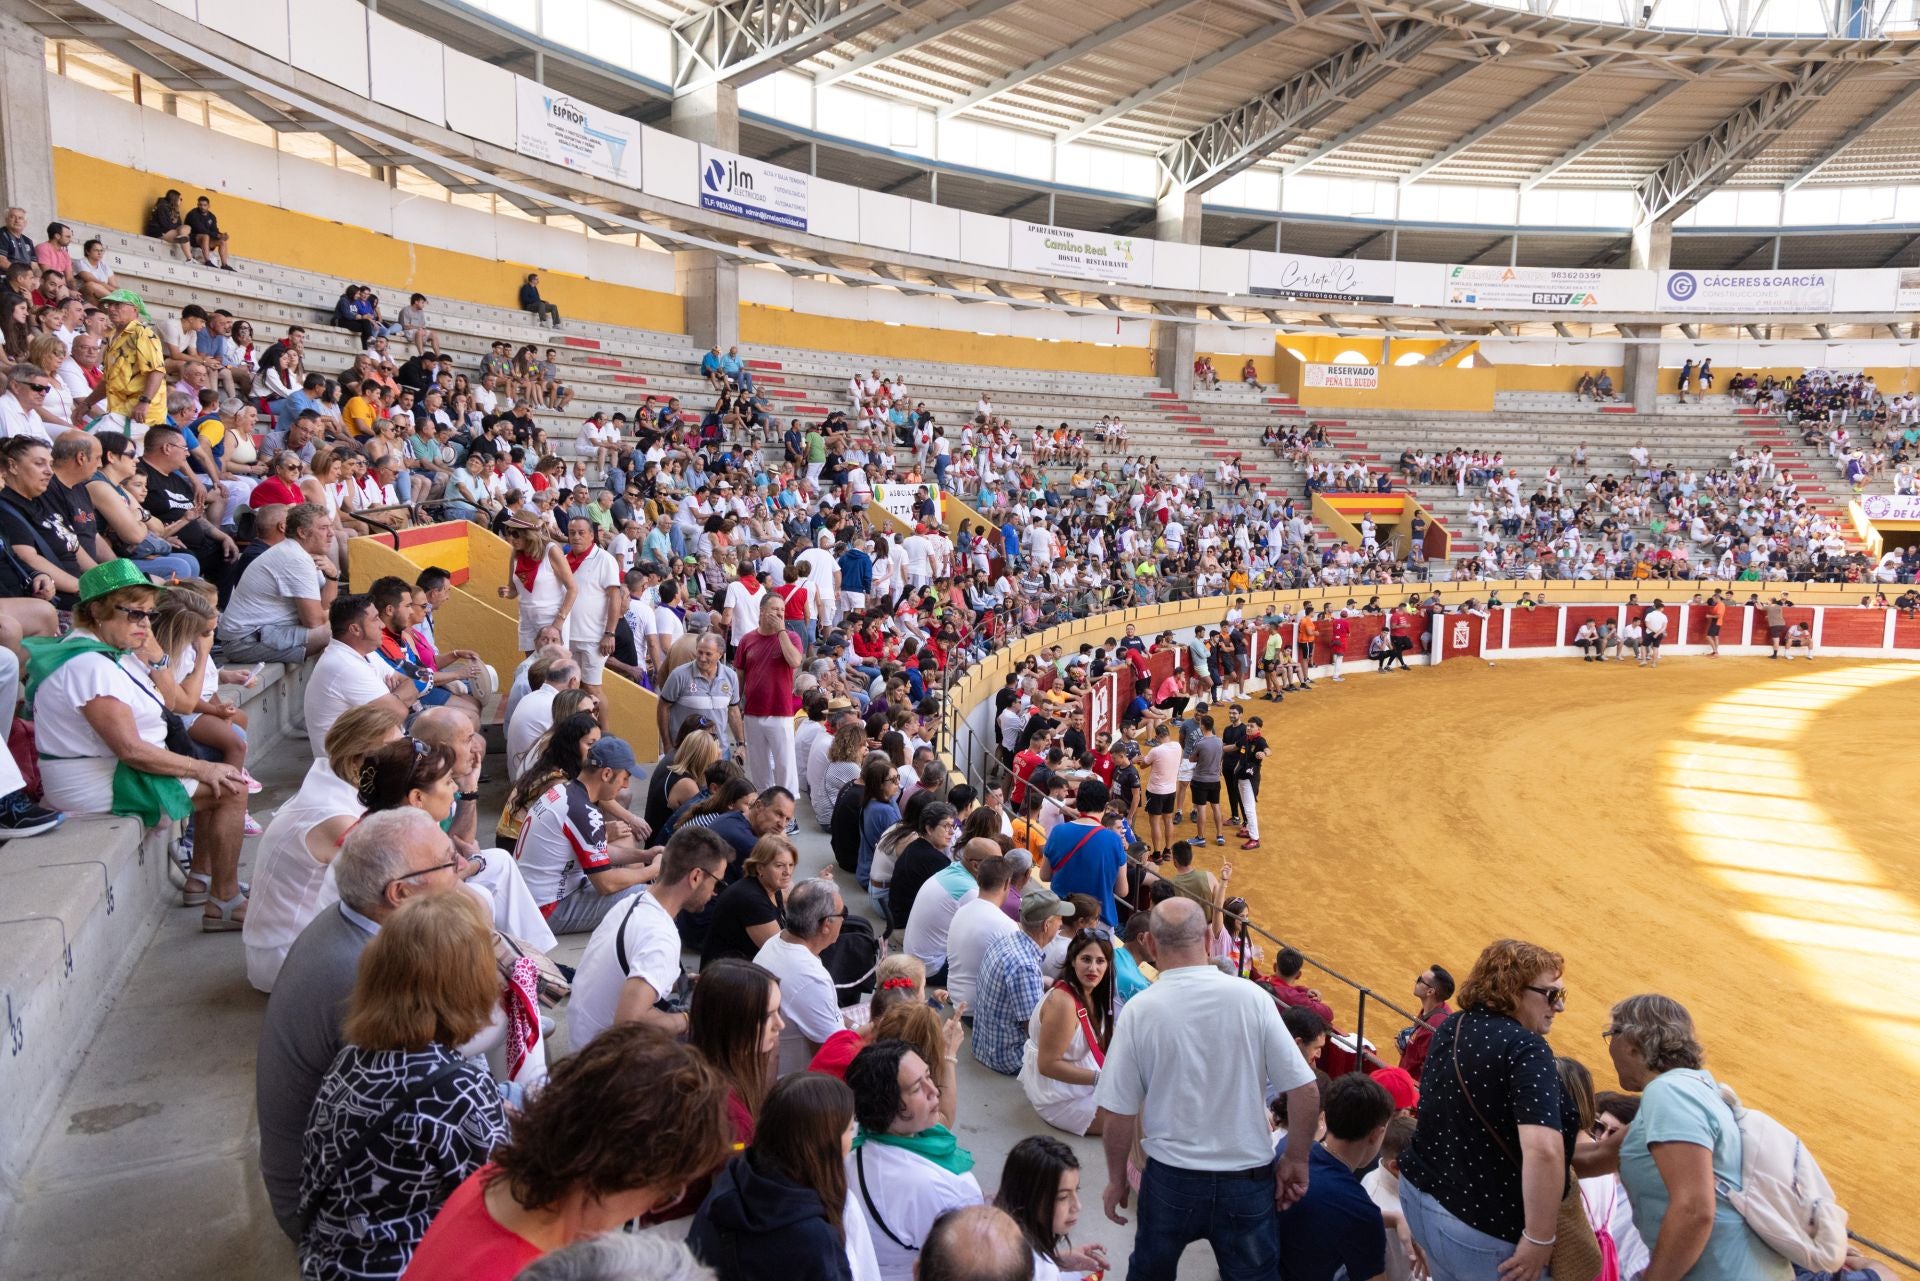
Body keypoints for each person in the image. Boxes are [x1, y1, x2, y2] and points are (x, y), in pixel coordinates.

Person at [256, 809, 463, 1239]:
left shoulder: (356, 928)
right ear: (400, 893)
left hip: (328, 1176)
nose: (461, 866)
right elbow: (434, 1100)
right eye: (448, 861)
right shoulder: (363, 973)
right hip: (328, 1211)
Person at [1092, 897, 1319, 1281]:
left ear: (1149, 943)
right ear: (1208, 938)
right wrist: (1296, 1159)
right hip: (1247, 1179)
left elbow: (1118, 1112)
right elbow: (1305, 1090)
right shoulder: (1252, 999)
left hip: (1171, 1179)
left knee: (1149, 1273)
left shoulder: (1140, 1011)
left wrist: (1116, 1179)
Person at [403, 1026, 733, 1281]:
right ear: (620, 1170)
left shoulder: (498, 1178)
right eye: (664, 1195)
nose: (649, 1208)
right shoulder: (533, 1270)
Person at [296, 892, 508, 1281]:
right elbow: (505, 1200)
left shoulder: (355, 1054)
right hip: (407, 1267)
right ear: (468, 983)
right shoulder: (458, 1087)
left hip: (330, 1261)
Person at [25, 560, 249, 926]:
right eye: (134, 614)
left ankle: (205, 883)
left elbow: (176, 702)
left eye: (149, 614)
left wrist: (154, 648)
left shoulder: (113, 651)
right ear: (96, 610)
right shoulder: (89, 665)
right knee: (230, 788)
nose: (144, 624)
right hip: (100, 780)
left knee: (222, 783)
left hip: (114, 769)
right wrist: (202, 766)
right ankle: (224, 899)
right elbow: (129, 749)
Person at [1399, 938, 1577, 1281]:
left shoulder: (1454, 1024)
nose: (1560, 1007)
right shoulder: (1527, 1047)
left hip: (1421, 1201)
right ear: (1512, 988)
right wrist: (1540, 1237)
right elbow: (1543, 1149)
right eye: (1552, 995)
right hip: (1479, 1229)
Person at [1604, 993, 1793, 1281]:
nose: (1610, 1045)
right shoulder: (1698, 1089)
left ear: (1631, 1041)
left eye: (1610, 1034)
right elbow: (1595, 1158)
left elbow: (1694, 1209)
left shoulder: (1669, 1094)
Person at [243, 705, 403, 991]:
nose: (401, 757)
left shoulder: (331, 777)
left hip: (288, 943)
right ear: (358, 759)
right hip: (286, 958)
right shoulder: (334, 816)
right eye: (392, 750)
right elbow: (392, 885)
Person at [689, 1074, 878, 1281]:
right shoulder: (814, 1238)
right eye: (850, 1129)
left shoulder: (728, 1186)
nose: (853, 1137)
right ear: (824, 1143)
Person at [569, 825, 730, 1046]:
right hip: (606, 1066)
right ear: (695, 876)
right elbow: (629, 1022)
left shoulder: (633, 902)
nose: (715, 892)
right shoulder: (660, 937)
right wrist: (688, 1019)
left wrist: (680, 982)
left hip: (582, 1041)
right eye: (717, 883)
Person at [845, 1039, 984, 1281]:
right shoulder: (935, 1187)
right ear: (886, 1105)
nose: (934, 1091)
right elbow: (973, 1262)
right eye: (917, 1088)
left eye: (929, 1076)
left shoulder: (853, 1137)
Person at [515, 736, 659, 933]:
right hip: (549, 908)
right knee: (653, 896)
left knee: (632, 876)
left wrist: (646, 855)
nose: (625, 786)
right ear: (607, 774)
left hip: (535, 899)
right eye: (625, 778)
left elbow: (597, 852)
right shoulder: (582, 811)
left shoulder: (563, 791)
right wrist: (653, 870)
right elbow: (606, 884)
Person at [1275, 1072, 1397, 1281]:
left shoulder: (1286, 1148)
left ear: (1325, 1117)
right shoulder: (1361, 1212)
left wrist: (1394, 1219)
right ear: (1377, 1133)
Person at [1020, 926, 1116, 1137]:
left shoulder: (1094, 993)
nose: (1093, 968)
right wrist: (1101, 1078)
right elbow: (1047, 1065)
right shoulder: (1063, 1003)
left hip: (1083, 1075)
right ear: (1073, 961)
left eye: (1100, 961)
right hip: (1059, 1094)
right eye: (1086, 959)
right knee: (1137, 1119)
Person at [973, 887, 1075, 1076]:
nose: (1061, 924)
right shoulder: (1025, 965)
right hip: (1008, 1058)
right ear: (1047, 925)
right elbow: (1035, 1030)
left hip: (985, 1045)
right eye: (1059, 919)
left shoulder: (1008, 940)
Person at [219, 502, 337, 663]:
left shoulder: (302, 553)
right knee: (345, 628)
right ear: (302, 532)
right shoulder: (295, 557)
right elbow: (314, 621)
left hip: (266, 632)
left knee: (348, 623)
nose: (331, 533)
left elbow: (324, 606)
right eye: (323, 528)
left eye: (330, 527)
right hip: (244, 641)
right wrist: (336, 615)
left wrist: (333, 577)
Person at [752, 877, 849, 1074]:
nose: (845, 920)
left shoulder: (776, 941)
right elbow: (832, 1054)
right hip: (792, 1084)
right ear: (826, 925)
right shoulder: (811, 977)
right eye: (843, 914)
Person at [305, 593, 416, 758]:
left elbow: (410, 683)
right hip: (351, 769)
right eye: (375, 619)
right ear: (355, 629)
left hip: (371, 753)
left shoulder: (365, 653)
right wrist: (397, 700)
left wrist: (393, 698)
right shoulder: (344, 665)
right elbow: (398, 713)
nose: (382, 625)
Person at [994, 1136, 1110, 1281]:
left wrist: (1056, 1260)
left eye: (1076, 1190)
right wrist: (1050, 1265)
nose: (1077, 1206)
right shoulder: (1041, 1270)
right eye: (1062, 1197)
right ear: (1029, 1197)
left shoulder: (991, 1220)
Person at [1038, 780, 1129, 928]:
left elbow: (1044, 876)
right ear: (1105, 807)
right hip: (1099, 921)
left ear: (1078, 804)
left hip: (1061, 918)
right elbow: (1122, 890)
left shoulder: (1058, 832)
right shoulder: (1114, 840)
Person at [738, 591, 803, 794]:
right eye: (775, 609)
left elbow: (795, 661)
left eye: (782, 610)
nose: (780, 613)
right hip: (752, 712)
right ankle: (764, 807)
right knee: (759, 766)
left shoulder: (791, 636)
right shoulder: (747, 639)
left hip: (780, 711)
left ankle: (788, 810)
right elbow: (740, 675)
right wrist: (736, 705)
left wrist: (781, 631)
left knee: (785, 766)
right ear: (762, 611)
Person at [702, 832, 798, 966]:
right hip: (725, 978)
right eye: (779, 865)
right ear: (760, 867)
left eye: (791, 865)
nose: (787, 872)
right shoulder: (751, 899)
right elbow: (781, 954)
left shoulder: (771, 886)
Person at [1397, 963, 1455, 1083]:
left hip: (1412, 1088)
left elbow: (1428, 1072)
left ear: (1430, 992)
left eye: (1420, 980)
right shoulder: (1435, 1009)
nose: (1416, 981)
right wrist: (1408, 1049)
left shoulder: (1433, 1027)